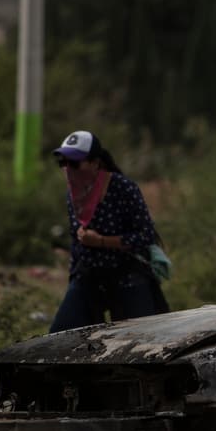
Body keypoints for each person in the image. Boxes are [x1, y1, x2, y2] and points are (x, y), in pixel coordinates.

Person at [49, 130, 167, 333]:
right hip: (89, 275)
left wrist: (102, 241)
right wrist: (74, 276)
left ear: (95, 163)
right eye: (63, 163)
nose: (68, 169)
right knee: (61, 334)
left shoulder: (124, 189)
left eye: (74, 163)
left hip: (126, 274)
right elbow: (76, 241)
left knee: (142, 339)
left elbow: (145, 235)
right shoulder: (72, 194)